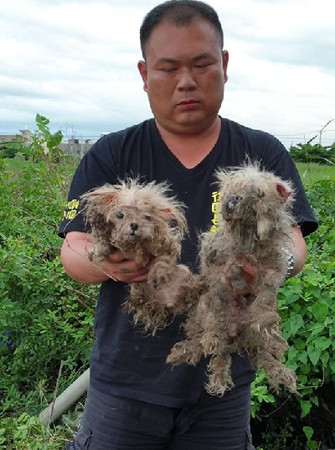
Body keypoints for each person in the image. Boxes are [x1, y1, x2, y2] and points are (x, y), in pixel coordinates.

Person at [59, 1, 317, 449]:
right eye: (168, 67)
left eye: (201, 64)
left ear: (224, 64)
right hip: (125, 387)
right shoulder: (111, 153)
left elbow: (293, 240)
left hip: (222, 384)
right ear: (144, 74)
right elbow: (73, 249)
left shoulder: (261, 153)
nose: (186, 81)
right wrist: (113, 264)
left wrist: (270, 265)